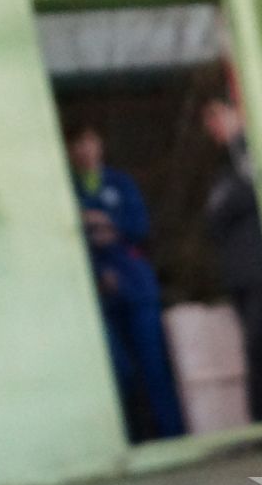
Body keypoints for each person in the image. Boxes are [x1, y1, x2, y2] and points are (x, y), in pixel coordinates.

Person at [66, 124, 185, 441]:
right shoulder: (66, 189)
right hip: (102, 295)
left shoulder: (120, 183)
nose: (85, 150)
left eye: (89, 142)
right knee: (119, 372)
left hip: (136, 287)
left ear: (99, 145)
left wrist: (104, 222)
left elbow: (139, 227)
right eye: (77, 144)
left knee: (154, 366)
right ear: (68, 150)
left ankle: (171, 434)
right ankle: (135, 439)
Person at [201, 97, 262, 422]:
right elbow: (212, 219)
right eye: (209, 121)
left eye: (218, 116)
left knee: (258, 340)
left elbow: (246, 195)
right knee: (261, 343)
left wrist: (226, 204)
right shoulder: (223, 165)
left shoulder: (250, 150)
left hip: (259, 268)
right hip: (239, 272)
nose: (214, 126)